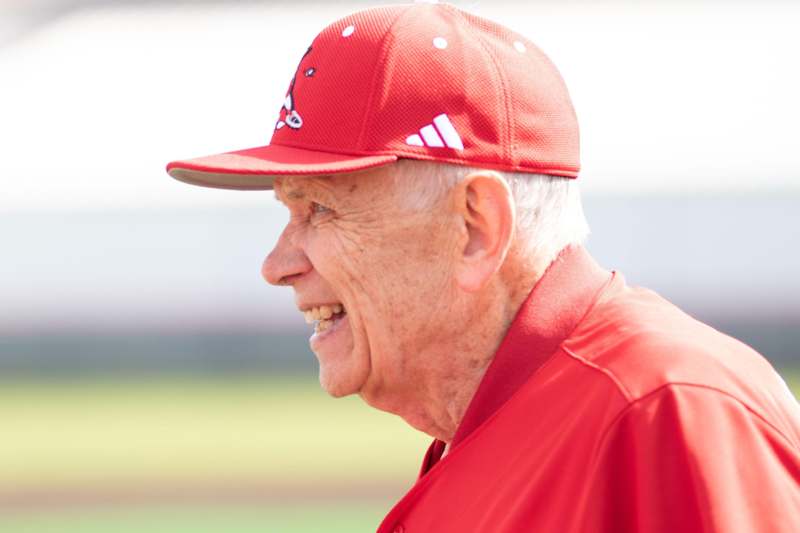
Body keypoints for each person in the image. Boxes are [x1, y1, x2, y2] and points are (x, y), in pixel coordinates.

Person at [166, 3, 800, 532]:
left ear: (477, 227)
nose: (276, 265)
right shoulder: (505, 420)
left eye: (322, 209)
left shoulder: (669, 411)